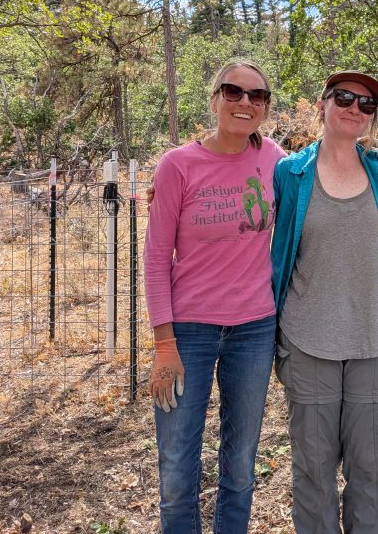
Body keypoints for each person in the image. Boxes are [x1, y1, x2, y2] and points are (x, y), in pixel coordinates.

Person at [143, 59, 286, 534]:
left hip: (255, 328)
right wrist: (165, 345)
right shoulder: (177, 165)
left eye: (257, 96)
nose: (245, 102)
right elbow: (156, 256)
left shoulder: (275, 160)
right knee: (178, 465)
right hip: (188, 332)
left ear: (265, 108)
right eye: (233, 91)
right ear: (215, 99)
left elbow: (324, 180)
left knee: (241, 461)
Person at [270, 71, 378, 534]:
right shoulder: (290, 173)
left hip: (375, 343)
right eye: (344, 97)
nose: (354, 108)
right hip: (308, 344)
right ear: (322, 103)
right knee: (314, 474)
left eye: (367, 105)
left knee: (374, 472)